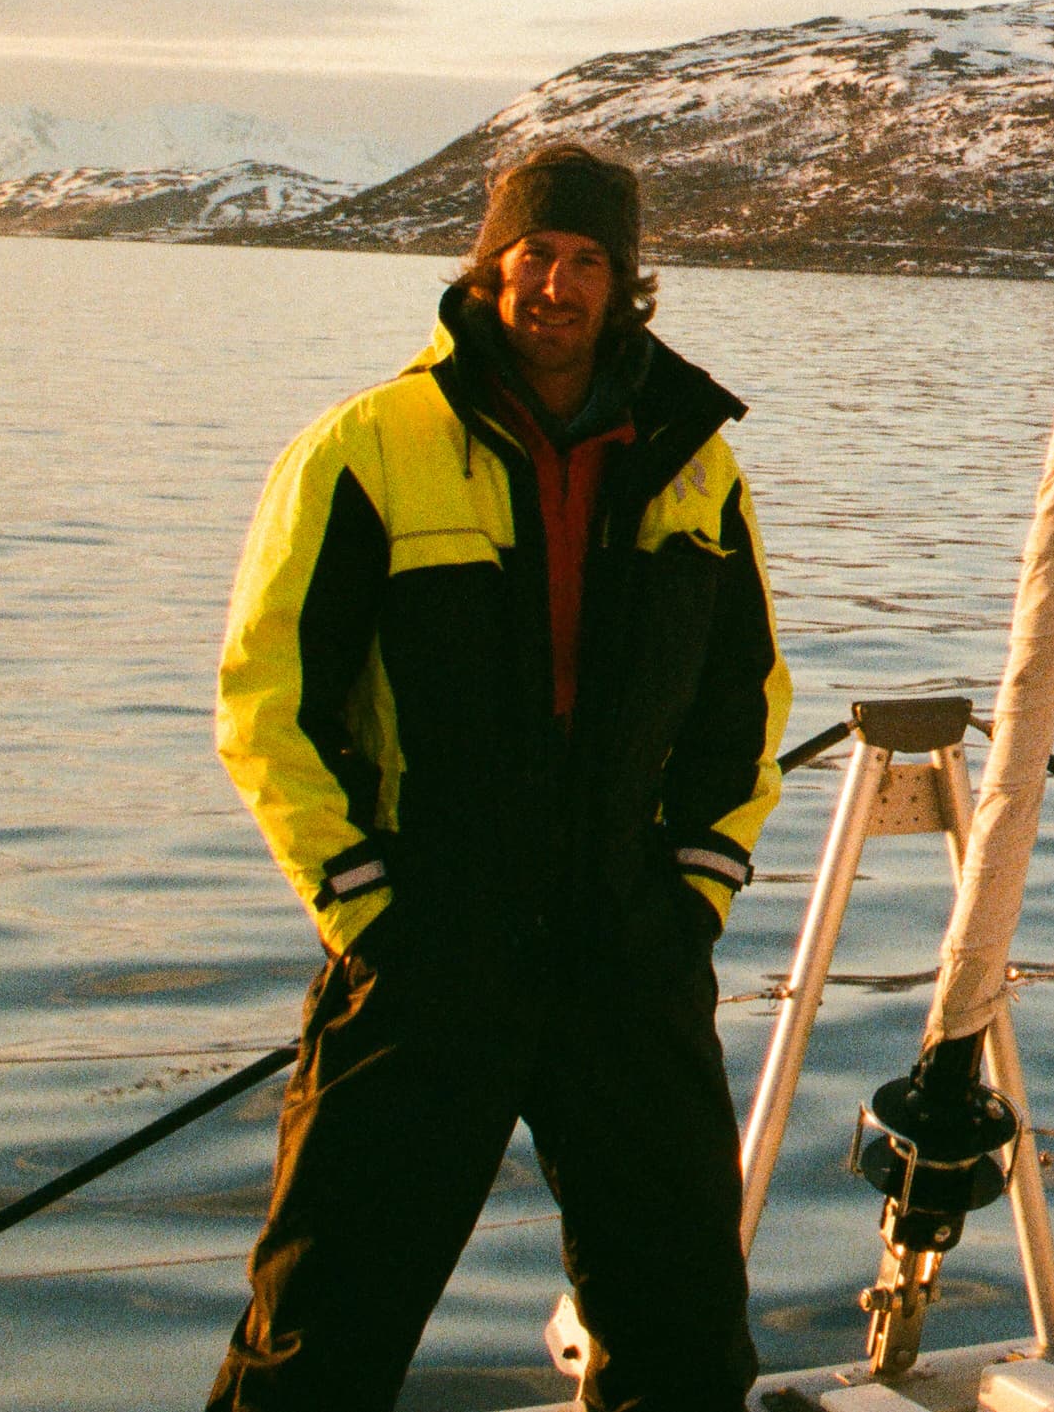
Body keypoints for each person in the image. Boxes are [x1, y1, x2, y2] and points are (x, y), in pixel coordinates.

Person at [208, 141, 790, 1412]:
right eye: (536, 254)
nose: (559, 285)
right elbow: (268, 704)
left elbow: (744, 697)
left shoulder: (695, 454)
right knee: (323, 1331)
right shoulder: (367, 445)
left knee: (685, 1332)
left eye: (590, 261)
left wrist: (692, 887)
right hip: (432, 939)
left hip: (623, 940)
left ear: (626, 283)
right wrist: (365, 903)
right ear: (491, 265)